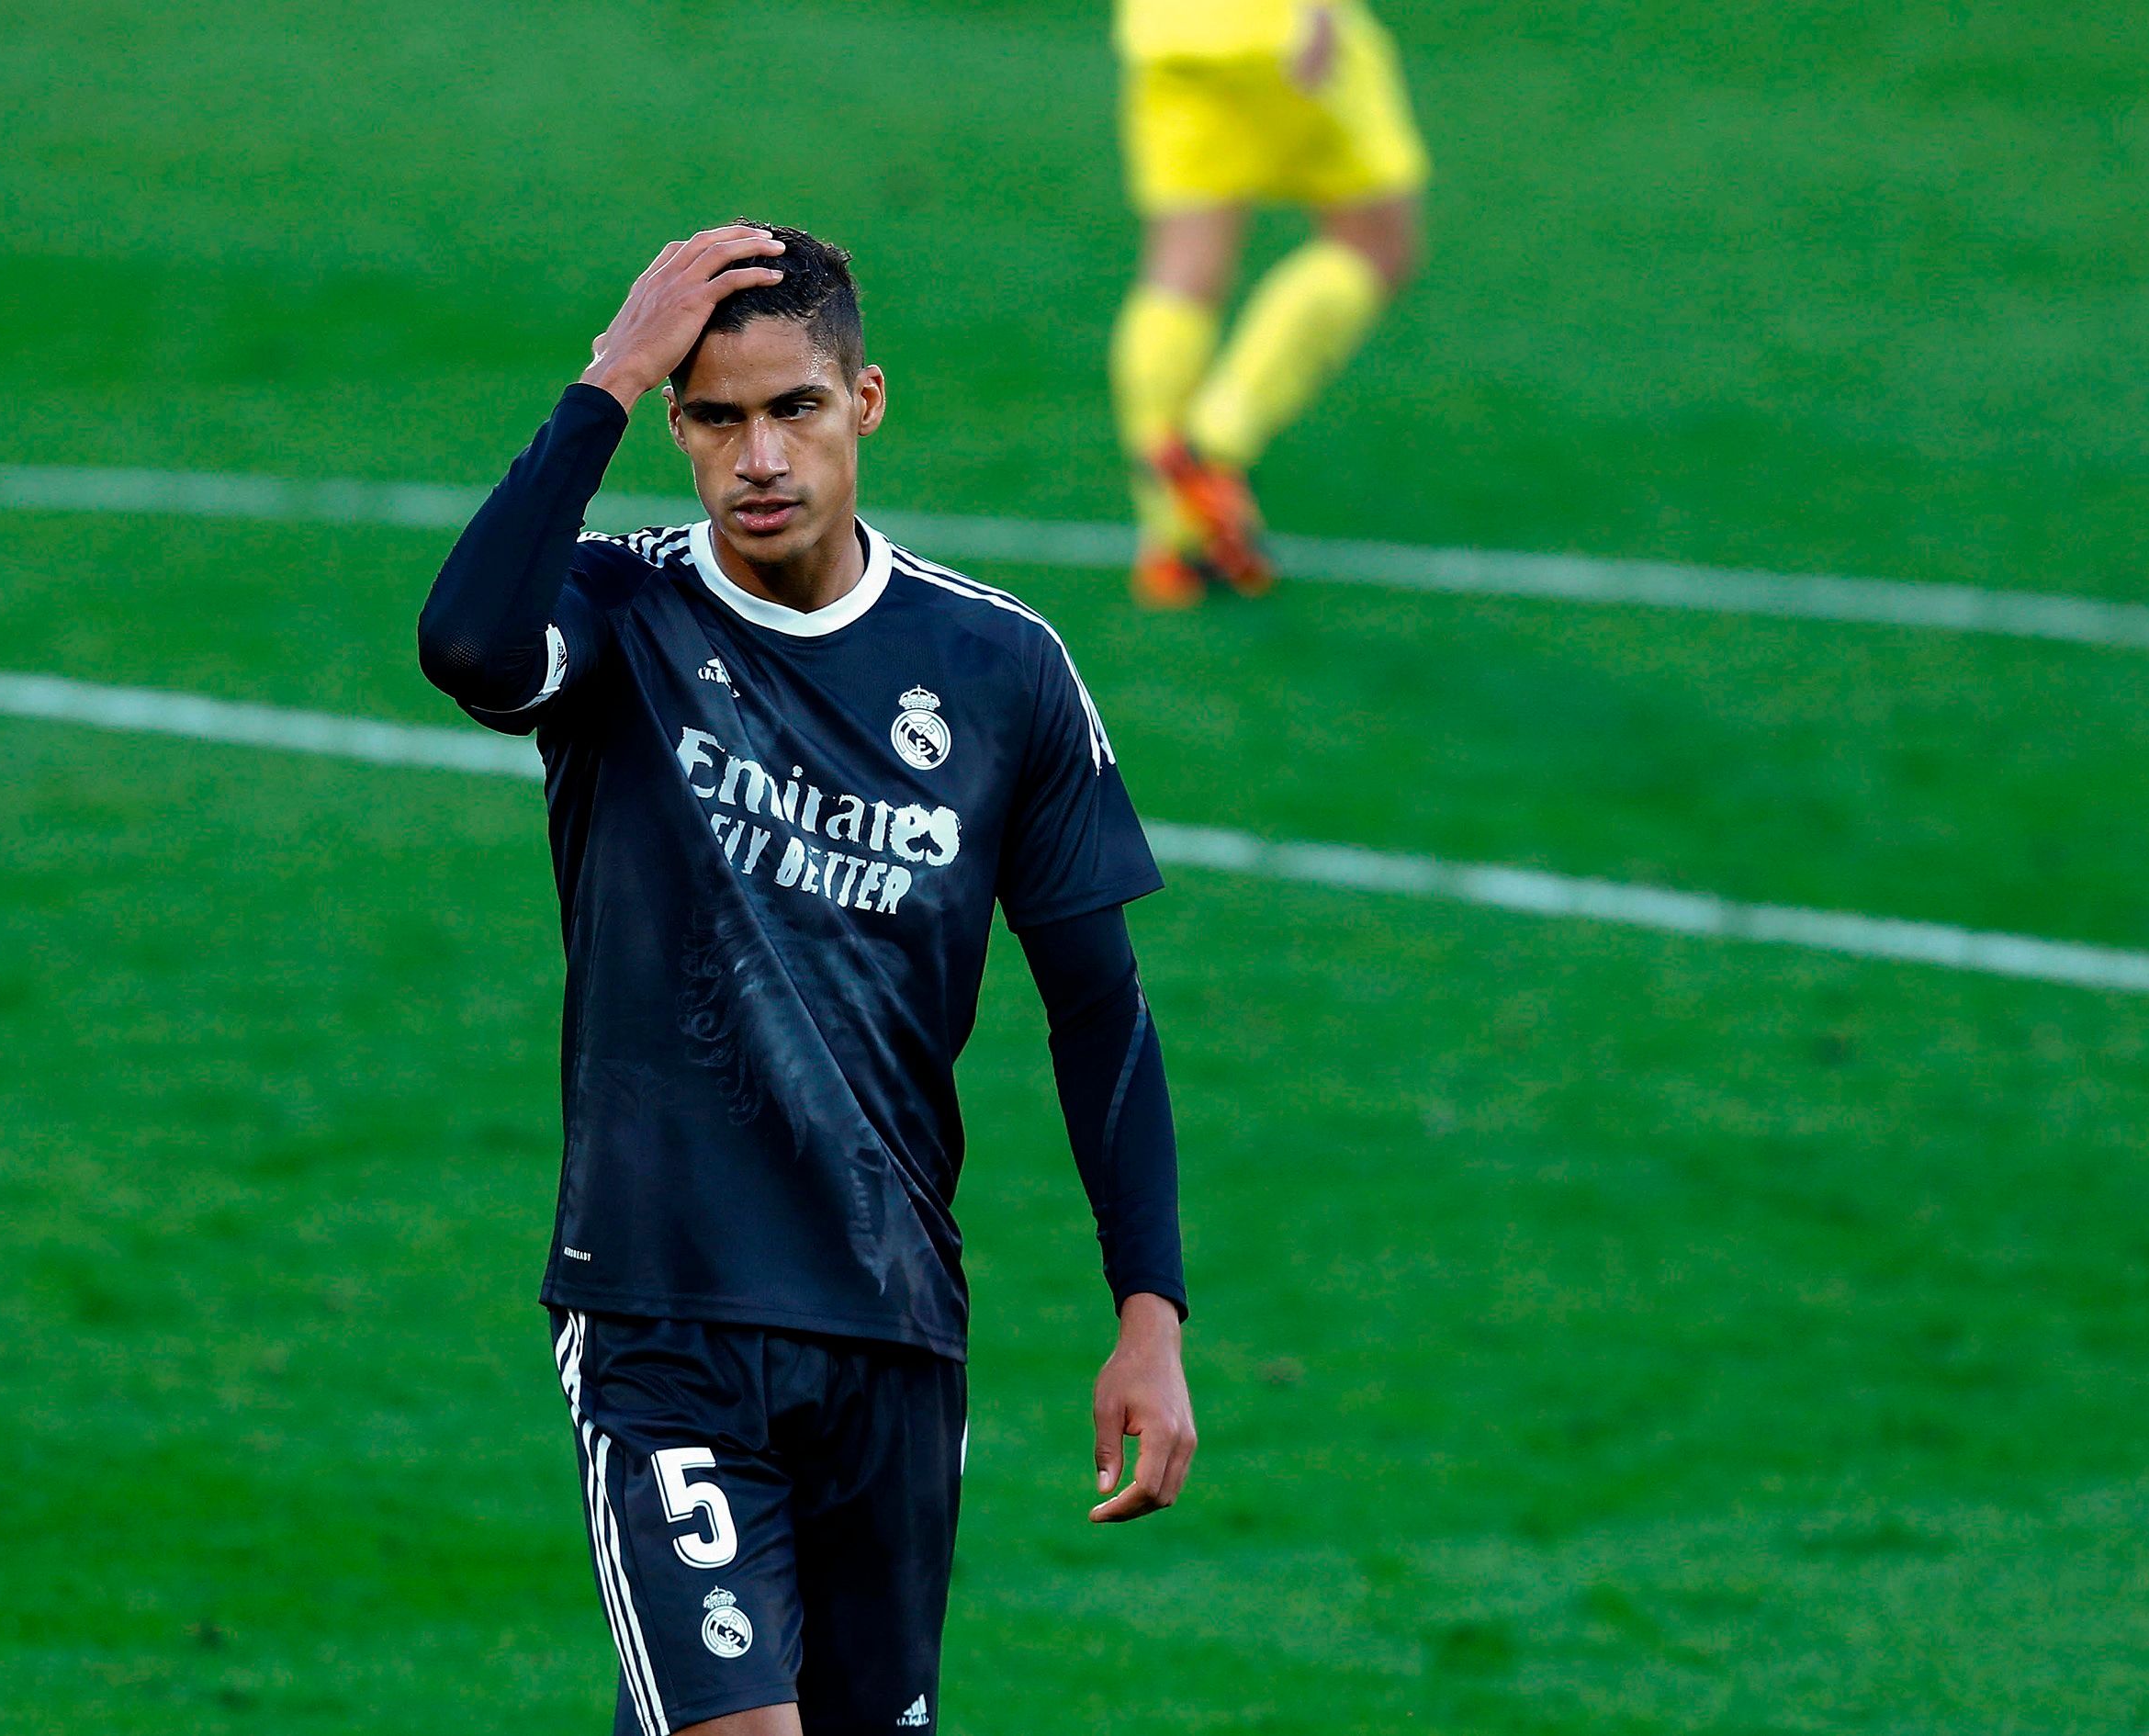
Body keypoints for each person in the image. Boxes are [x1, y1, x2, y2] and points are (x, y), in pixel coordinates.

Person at [417, 224, 1196, 1736]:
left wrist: (1147, 1313)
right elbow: (466, 642)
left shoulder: (1000, 668)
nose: (758, 455)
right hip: (665, 1319)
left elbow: (1102, 1008)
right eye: (713, 417)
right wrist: (606, 377)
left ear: (868, 403)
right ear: (677, 427)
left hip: (893, 1326)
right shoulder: (618, 617)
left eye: (796, 409)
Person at [1110, 0, 1429, 606]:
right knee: (1376, 244)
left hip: (1168, 36)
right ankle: (1214, 442)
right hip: (1278, 31)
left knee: (1181, 265)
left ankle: (1174, 532)